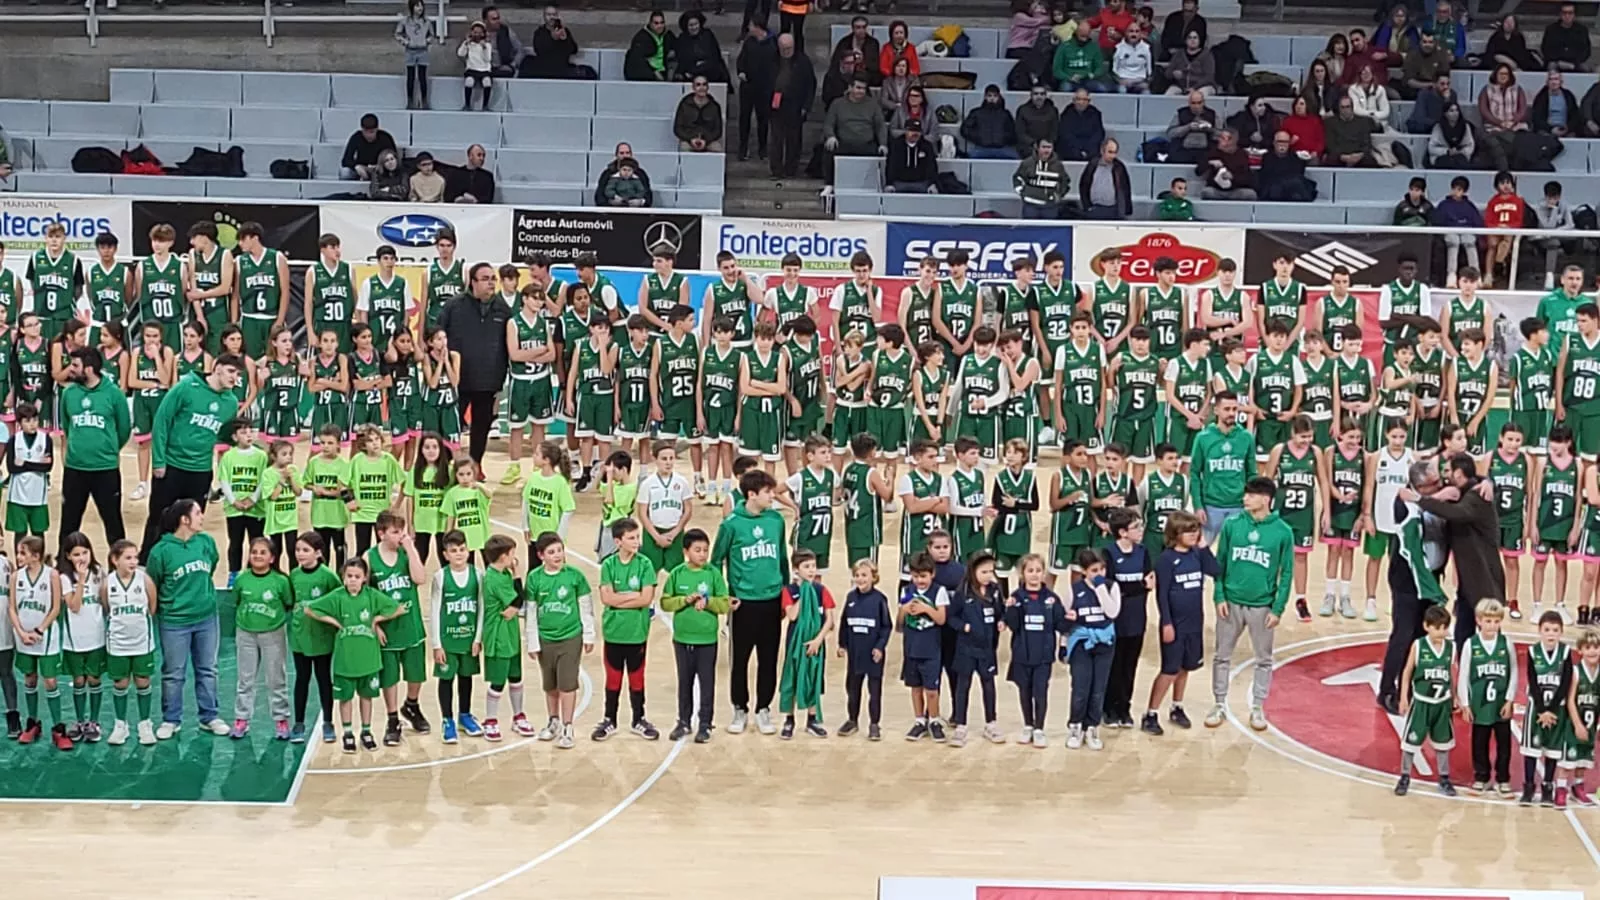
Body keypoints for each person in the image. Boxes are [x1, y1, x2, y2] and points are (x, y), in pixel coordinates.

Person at [1205, 477, 1294, 732]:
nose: (1245, 498)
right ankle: (1219, 704)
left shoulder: (1283, 531)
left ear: (1266, 499)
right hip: (1231, 602)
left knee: (1263, 659)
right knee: (1221, 656)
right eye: (1245, 494)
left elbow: (1287, 573)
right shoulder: (1232, 525)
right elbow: (1219, 564)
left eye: (1251, 495)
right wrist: (1219, 596)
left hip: (1262, 605)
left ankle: (1257, 707)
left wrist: (1278, 608)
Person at [139, 354, 242, 562]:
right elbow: (162, 421)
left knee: (193, 522)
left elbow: (225, 436)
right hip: (172, 466)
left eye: (238, 374)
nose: (234, 378)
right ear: (217, 368)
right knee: (159, 520)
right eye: (231, 371)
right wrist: (158, 461)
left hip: (201, 470)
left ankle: (184, 565)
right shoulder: (186, 387)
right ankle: (146, 565)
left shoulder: (231, 402)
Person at [712, 469, 791, 734]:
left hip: (771, 600)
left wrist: (785, 594)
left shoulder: (776, 521)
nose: (773, 496)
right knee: (740, 660)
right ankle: (740, 709)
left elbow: (782, 558)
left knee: (769, 659)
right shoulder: (731, 524)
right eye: (768, 492)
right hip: (743, 603)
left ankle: (764, 709)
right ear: (751, 494)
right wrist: (723, 595)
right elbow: (716, 561)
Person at [144, 499, 227, 740]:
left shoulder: (206, 542)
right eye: (198, 513)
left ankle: (209, 716)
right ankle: (171, 719)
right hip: (174, 622)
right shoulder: (161, 551)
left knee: (208, 669)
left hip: (206, 618)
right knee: (174, 673)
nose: (202, 517)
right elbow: (153, 582)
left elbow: (211, 566)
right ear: (184, 519)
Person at [437, 263, 511, 465]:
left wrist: (501, 377)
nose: (491, 283)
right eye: (485, 279)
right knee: (450, 426)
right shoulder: (453, 306)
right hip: (457, 379)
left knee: (481, 427)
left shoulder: (503, 309)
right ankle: (443, 465)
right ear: (473, 282)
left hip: (488, 380)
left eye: (493, 279)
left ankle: (475, 465)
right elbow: (437, 335)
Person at [56, 346, 129, 548]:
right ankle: (63, 564)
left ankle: (120, 564)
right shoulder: (68, 394)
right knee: (68, 524)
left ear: (89, 369)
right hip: (75, 468)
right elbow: (67, 427)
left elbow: (124, 429)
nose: (71, 369)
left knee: (113, 523)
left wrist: (109, 449)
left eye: (75, 365)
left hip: (105, 469)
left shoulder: (114, 394)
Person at [661, 528, 729, 743]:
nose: (702, 554)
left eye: (705, 550)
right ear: (686, 551)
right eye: (697, 550)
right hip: (682, 639)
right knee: (685, 682)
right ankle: (683, 721)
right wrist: (684, 600)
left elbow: (724, 604)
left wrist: (708, 603)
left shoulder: (713, 574)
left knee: (707, 683)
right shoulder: (677, 574)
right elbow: (665, 602)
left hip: (707, 640)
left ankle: (705, 724)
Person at [595, 519, 659, 741]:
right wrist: (633, 596)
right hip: (613, 632)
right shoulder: (608, 565)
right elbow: (606, 598)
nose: (637, 542)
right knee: (613, 678)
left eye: (637, 537)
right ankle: (609, 720)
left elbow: (646, 598)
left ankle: (638, 719)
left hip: (637, 633)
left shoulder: (645, 564)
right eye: (631, 538)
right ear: (618, 541)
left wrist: (619, 598)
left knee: (636, 678)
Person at [1395, 604, 1459, 796]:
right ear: (1426, 626)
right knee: (1411, 742)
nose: (1441, 632)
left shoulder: (1451, 648)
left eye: (1444, 627)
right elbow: (1407, 672)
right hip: (1421, 702)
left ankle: (1444, 777)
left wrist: (1455, 696)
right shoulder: (1418, 645)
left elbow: (1451, 674)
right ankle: (1404, 776)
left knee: (1443, 742)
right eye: (1437, 627)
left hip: (1442, 703)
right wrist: (1403, 697)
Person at [1459, 598, 1515, 796]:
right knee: (1479, 742)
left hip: (1500, 703)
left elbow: (1514, 672)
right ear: (1478, 620)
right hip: (1479, 703)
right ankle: (1481, 776)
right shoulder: (1470, 644)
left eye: (1496, 621)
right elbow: (1463, 675)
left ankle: (1503, 778)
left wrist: (1510, 699)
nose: (1492, 625)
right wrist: (1465, 704)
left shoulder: (1506, 643)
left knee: (1504, 743)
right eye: (1488, 621)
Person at [1190, 391, 1254, 545]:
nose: (1231, 413)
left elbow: (1252, 474)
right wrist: (1198, 506)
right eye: (1227, 409)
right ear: (1216, 410)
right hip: (1211, 506)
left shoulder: (1246, 437)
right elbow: (1194, 473)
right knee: (1201, 550)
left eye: (1234, 409)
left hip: (1238, 506)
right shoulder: (1203, 438)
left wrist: (1251, 504)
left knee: (1236, 550)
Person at [768, 33, 815, 180]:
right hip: (775, 104)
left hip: (795, 105)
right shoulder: (771, 59)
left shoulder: (803, 61)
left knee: (794, 139)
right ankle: (776, 170)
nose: (787, 51)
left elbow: (810, 85)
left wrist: (806, 106)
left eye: (789, 48)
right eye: (784, 48)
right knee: (776, 139)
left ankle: (791, 169)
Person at [736, 19, 778, 161]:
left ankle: (763, 149)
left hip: (765, 88)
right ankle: (743, 148)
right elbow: (741, 59)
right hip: (748, 86)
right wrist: (741, 71)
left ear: (758, 27)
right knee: (744, 118)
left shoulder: (773, 43)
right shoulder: (749, 42)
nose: (749, 28)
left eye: (751, 25)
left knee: (763, 119)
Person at [1478, 64, 1529, 172]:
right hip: (1493, 127)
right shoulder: (1486, 90)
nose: (1503, 76)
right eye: (1501, 74)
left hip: (1514, 126)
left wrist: (1513, 122)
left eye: (1506, 74)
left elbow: (1523, 109)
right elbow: (1484, 110)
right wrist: (1499, 123)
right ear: (1495, 75)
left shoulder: (1518, 89)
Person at [1012, 138, 1070, 219]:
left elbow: (1065, 182)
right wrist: (1023, 192)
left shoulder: (1058, 166)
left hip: (1050, 206)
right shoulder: (1027, 163)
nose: (1046, 150)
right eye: (1044, 147)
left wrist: (1059, 195)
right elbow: (1018, 178)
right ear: (1037, 148)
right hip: (1030, 205)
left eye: (1049, 147)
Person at [396, 0, 437, 109]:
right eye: (417, 6)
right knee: (410, 76)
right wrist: (406, 42)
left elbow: (432, 35)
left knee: (422, 76)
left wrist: (426, 42)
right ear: (412, 7)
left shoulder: (427, 22)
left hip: (423, 51)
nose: (420, 8)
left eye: (421, 6)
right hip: (410, 51)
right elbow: (398, 34)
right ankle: (410, 100)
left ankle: (424, 100)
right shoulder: (405, 21)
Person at [1078, 138, 1132, 219]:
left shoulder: (1119, 167)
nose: (1113, 156)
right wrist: (1087, 206)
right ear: (1102, 151)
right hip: (1094, 209)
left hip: (1114, 210)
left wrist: (1125, 212)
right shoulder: (1092, 165)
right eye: (1110, 152)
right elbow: (1083, 186)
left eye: (1115, 152)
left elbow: (1125, 190)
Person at [961, 84, 1018, 159]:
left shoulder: (1005, 114)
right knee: (969, 156)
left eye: (995, 96)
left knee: (1016, 157)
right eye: (989, 95)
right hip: (981, 148)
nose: (992, 98)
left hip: (1002, 148)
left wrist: (1004, 139)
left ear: (999, 97)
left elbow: (1013, 131)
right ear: (985, 97)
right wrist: (978, 137)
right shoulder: (976, 113)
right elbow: (965, 129)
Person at [1536, 181, 1577, 286]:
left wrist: (1558, 231)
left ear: (1559, 196)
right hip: (1543, 237)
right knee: (1553, 243)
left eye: (1555, 198)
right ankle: (1549, 276)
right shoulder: (1540, 207)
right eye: (1549, 198)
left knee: (1577, 238)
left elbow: (1570, 224)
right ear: (1545, 196)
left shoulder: (1564, 204)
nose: (1552, 201)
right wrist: (1554, 210)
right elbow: (1548, 227)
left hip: (1558, 234)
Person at [1196, 127, 1255, 200]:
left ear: (1232, 141)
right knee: (1207, 192)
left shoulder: (1242, 154)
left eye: (1223, 138)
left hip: (1235, 190)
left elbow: (1247, 178)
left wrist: (1233, 176)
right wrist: (1209, 163)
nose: (1219, 140)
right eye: (1219, 137)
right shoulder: (1213, 152)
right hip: (1216, 190)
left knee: (1250, 194)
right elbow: (1198, 171)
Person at [1258, 130, 1315, 202]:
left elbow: (1297, 177)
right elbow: (1267, 178)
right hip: (1272, 194)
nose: (1282, 144)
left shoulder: (1296, 159)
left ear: (1289, 143)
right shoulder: (1267, 158)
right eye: (1279, 141)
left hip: (1291, 194)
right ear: (1274, 143)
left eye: (1285, 142)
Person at [592, 143, 654, 207]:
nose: (625, 155)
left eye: (627, 153)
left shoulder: (640, 174)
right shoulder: (607, 173)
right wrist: (610, 202)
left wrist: (641, 202)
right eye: (621, 153)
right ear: (616, 155)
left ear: (631, 155)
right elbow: (599, 196)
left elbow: (648, 196)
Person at [1055, 19, 1110, 92]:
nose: (1084, 39)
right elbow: (1057, 70)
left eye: (1086, 36)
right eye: (1082, 36)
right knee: (1066, 88)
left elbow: (1099, 68)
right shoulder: (1064, 47)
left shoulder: (1094, 47)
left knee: (1101, 89)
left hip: (1088, 79)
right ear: (1076, 33)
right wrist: (1069, 78)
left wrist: (1092, 75)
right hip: (1069, 80)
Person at [884, 119, 938, 193]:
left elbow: (932, 167)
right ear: (906, 131)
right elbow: (891, 166)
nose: (915, 133)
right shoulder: (896, 145)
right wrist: (889, 184)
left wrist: (932, 183)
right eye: (912, 130)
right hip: (899, 183)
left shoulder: (927, 146)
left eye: (917, 131)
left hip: (922, 183)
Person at [1325, 94, 1379, 167]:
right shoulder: (1331, 123)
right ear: (1339, 109)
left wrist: (1359, 155)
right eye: (1342, 107)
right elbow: (1330, 145)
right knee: (1331, 160)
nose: (1345, 110)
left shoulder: (1363, 122)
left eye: (1348, 107)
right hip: (1340, 156)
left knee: (1369, 161)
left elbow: (1367, 144)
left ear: (1352, 108)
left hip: (1359, 155)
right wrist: (1343, 157)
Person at [339, 113, 397, 181]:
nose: (368, 135)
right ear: (362, 129)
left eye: (372, 132)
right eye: (365, 132)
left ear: (377, 129)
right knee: (345, 172)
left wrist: (382, 166)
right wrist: (356, 166)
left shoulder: (385, 138)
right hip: (361, 169)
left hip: (381, 170)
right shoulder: (356, 138)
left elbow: (395, 158)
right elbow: (346, 160)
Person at [673, 76, 724, 152]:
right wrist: (691, 139)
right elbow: (678, 128)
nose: (701, 88)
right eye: (698, 85)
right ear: (693, 88)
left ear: (707, 87)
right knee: (684, 147)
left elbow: (718, 131)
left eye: (704, 84)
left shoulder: (714, 106)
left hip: (708, 141)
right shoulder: (684, 104)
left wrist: (706, 140)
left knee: (717, 148)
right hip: (689, 140)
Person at [528, 6, 581, 79]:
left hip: (563, 69)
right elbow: (539, 50)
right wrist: (553, 39)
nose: (552, 17)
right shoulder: (539, 32)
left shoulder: (564, 30)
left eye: (554, 14)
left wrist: (565, 39)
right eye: (549, 15)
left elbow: (574, 50)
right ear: (544, 17)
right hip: (544, 69)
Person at [1166, 89, 1217, 164]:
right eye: (1193, 103)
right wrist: (1187, 127)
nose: (1196, 106)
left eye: (1199, 103)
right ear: (1189, 103)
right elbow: (1170, 133)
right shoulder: (1180, 113)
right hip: (1183, 151)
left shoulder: (1212, 114)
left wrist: (1210, 129)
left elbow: (1220, 134)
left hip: (1206, 151)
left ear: (1203, 102)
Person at [674, 10, 727, 83]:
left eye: (696, 24)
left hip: (710, 73)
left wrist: (698, 67)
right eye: (691, 25)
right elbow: (683, 61)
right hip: (690, 74)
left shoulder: (708, 35)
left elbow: (715, 57)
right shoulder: (682, 38)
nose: (694, 27)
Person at [1542, 1, 1591, 73]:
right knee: (1551, 66)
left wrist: (1574, 63)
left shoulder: (1582, 30)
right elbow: (1546, 49)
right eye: (1564, 13)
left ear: (1574, 15)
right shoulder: (1551, 29)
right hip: (1557, 62)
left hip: (1576, 63)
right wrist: (1559, 61)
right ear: (1560, 14)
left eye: (1570, 13)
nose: (1567, 16)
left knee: (1586, 68)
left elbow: (1586, 51)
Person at [830, 16, 881, 85]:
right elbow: (836, 61)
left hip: (866, 74)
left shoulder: (873, 43)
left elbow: (875, 65)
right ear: (853, 28)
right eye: (858, 27)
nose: (861, 30)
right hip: (847, 73)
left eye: (864, 27)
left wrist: (863, 61)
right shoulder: (844, 42)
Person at [1399, 32, 1450, 101]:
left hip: (1436, 88)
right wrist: (1429, 85)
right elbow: (1409, 81)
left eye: (1430, 42)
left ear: (1435, 43)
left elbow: (1445, 79)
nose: (1427, 45)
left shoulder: (1441, 54)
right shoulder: (1412, 54)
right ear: (1420, 42)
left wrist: (1437, 86)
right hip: (1414, 89)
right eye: (1424, 42)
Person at [624, 9, 673, 82]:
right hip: (648, 73)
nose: (659, 26)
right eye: (656, 23)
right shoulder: (641, 37)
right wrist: (654, 72)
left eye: (662, 23)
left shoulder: (668, 35)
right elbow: (637, 59)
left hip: (664, 71)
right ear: (650, 24)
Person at [1427, 101, 1476, 168]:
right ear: (1445, 113)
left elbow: (1470, 146)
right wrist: (1447, 151)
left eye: (1457, 110)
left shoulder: (1466, 126)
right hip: (1442, 156)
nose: (1455, 113)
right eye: (1451, 111)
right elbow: (1431, 148)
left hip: (1460, 156)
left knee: (1461, 163)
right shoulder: (1438, 127)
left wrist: (1460, 151)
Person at [1164, 29, 1215, 95]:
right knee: (1170, 92)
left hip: (1203, 86)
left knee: (1200, 94)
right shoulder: (1179, 54)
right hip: (1181, 86)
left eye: (1195, 38)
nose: (1192, 40)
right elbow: (1167, 73)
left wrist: (1194, 88)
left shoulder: (1207, 55)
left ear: (1199, 40)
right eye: (1190, 38)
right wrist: (1174, 74)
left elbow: (1209, 77)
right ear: (1186, 40)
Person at [457, 20, 495, 111]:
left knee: (487, 82)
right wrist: (465, 44)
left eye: (479, 32)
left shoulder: (487, 45)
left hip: (484, 70)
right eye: (475, 32)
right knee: (469, 82)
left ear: (483, 34)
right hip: (472, 69)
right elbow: (460, 54)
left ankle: (485, 106)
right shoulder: (469, 44)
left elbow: (488, 59)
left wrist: (484, 48)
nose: (477, 35)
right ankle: (467, 105)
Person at [1014, 86, 1060, 158]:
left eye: (1042, 94)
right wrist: (1034, 143)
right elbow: (1020, 132)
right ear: (1031, 95)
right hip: (1028, 146)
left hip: (1048, 145)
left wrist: (1047, 144)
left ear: (1045, 96)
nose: (1039, 96)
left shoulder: (1053, 110)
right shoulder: (1023, 110)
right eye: (1036, 94)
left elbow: (1054, 131)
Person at [1533, 70, 1579, 137]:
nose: (1553, 82)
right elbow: (1537, 118)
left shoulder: (1568, 95)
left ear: (1561, 82)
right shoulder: (1541, 97)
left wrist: (1567, 128)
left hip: (1566, 129)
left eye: (1556, 79)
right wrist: (1551, 129)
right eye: (1551, 79)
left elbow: (1575, 116)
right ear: (1547, 82)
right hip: (1547, 130)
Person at [1110, 23, 1152, 93]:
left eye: (1137, 31)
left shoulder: (1147, 47)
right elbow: (1112, 70)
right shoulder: (1118, 47)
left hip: (1140, 81)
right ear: (1126, 33)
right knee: (1121, 90)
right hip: (1123, 80)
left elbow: (1151, 70)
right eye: (1131, 31)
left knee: (1146, 92)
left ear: (1140, 34)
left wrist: (1147, 82)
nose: (1134, 34)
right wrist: (1120, 81)